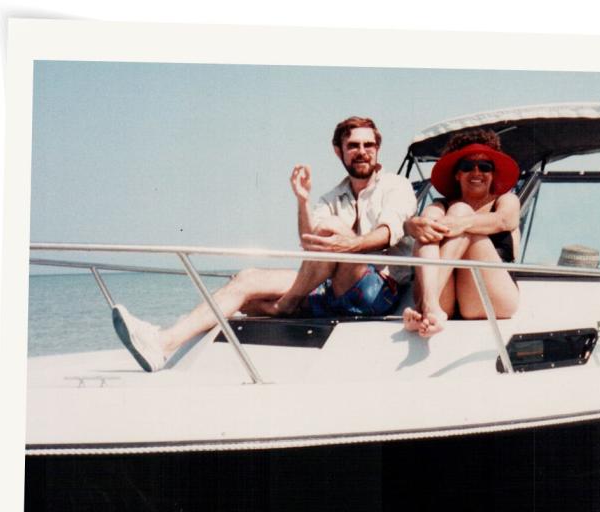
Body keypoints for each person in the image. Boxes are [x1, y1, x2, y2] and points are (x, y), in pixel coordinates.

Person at [111, 116, 418, 372]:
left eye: (369, 145)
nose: (362, 152)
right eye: (353, 146)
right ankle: (164, 342)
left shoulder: (396, 186)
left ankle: (286, 305)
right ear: (338, 151)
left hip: (376, 290)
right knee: (247, 282)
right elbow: (310, 245)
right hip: (331, 288)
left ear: (378, 149)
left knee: (331, 230)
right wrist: (302, 201)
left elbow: (387, 232)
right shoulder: (332, 196)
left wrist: (348, 245)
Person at [402, 129, 521, 338]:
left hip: (491, 297)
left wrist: (461, 223)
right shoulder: (441, 205)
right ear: (457, 174)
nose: (477, 172)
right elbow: (427, 222)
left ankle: (425, 307)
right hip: (445, 300)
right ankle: (431, 308)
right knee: (428, 228)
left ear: (493, 174)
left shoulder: (506, 201)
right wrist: (413, 225)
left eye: (485, 167)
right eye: (467, 166)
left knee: (461, 214)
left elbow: (504, 220)